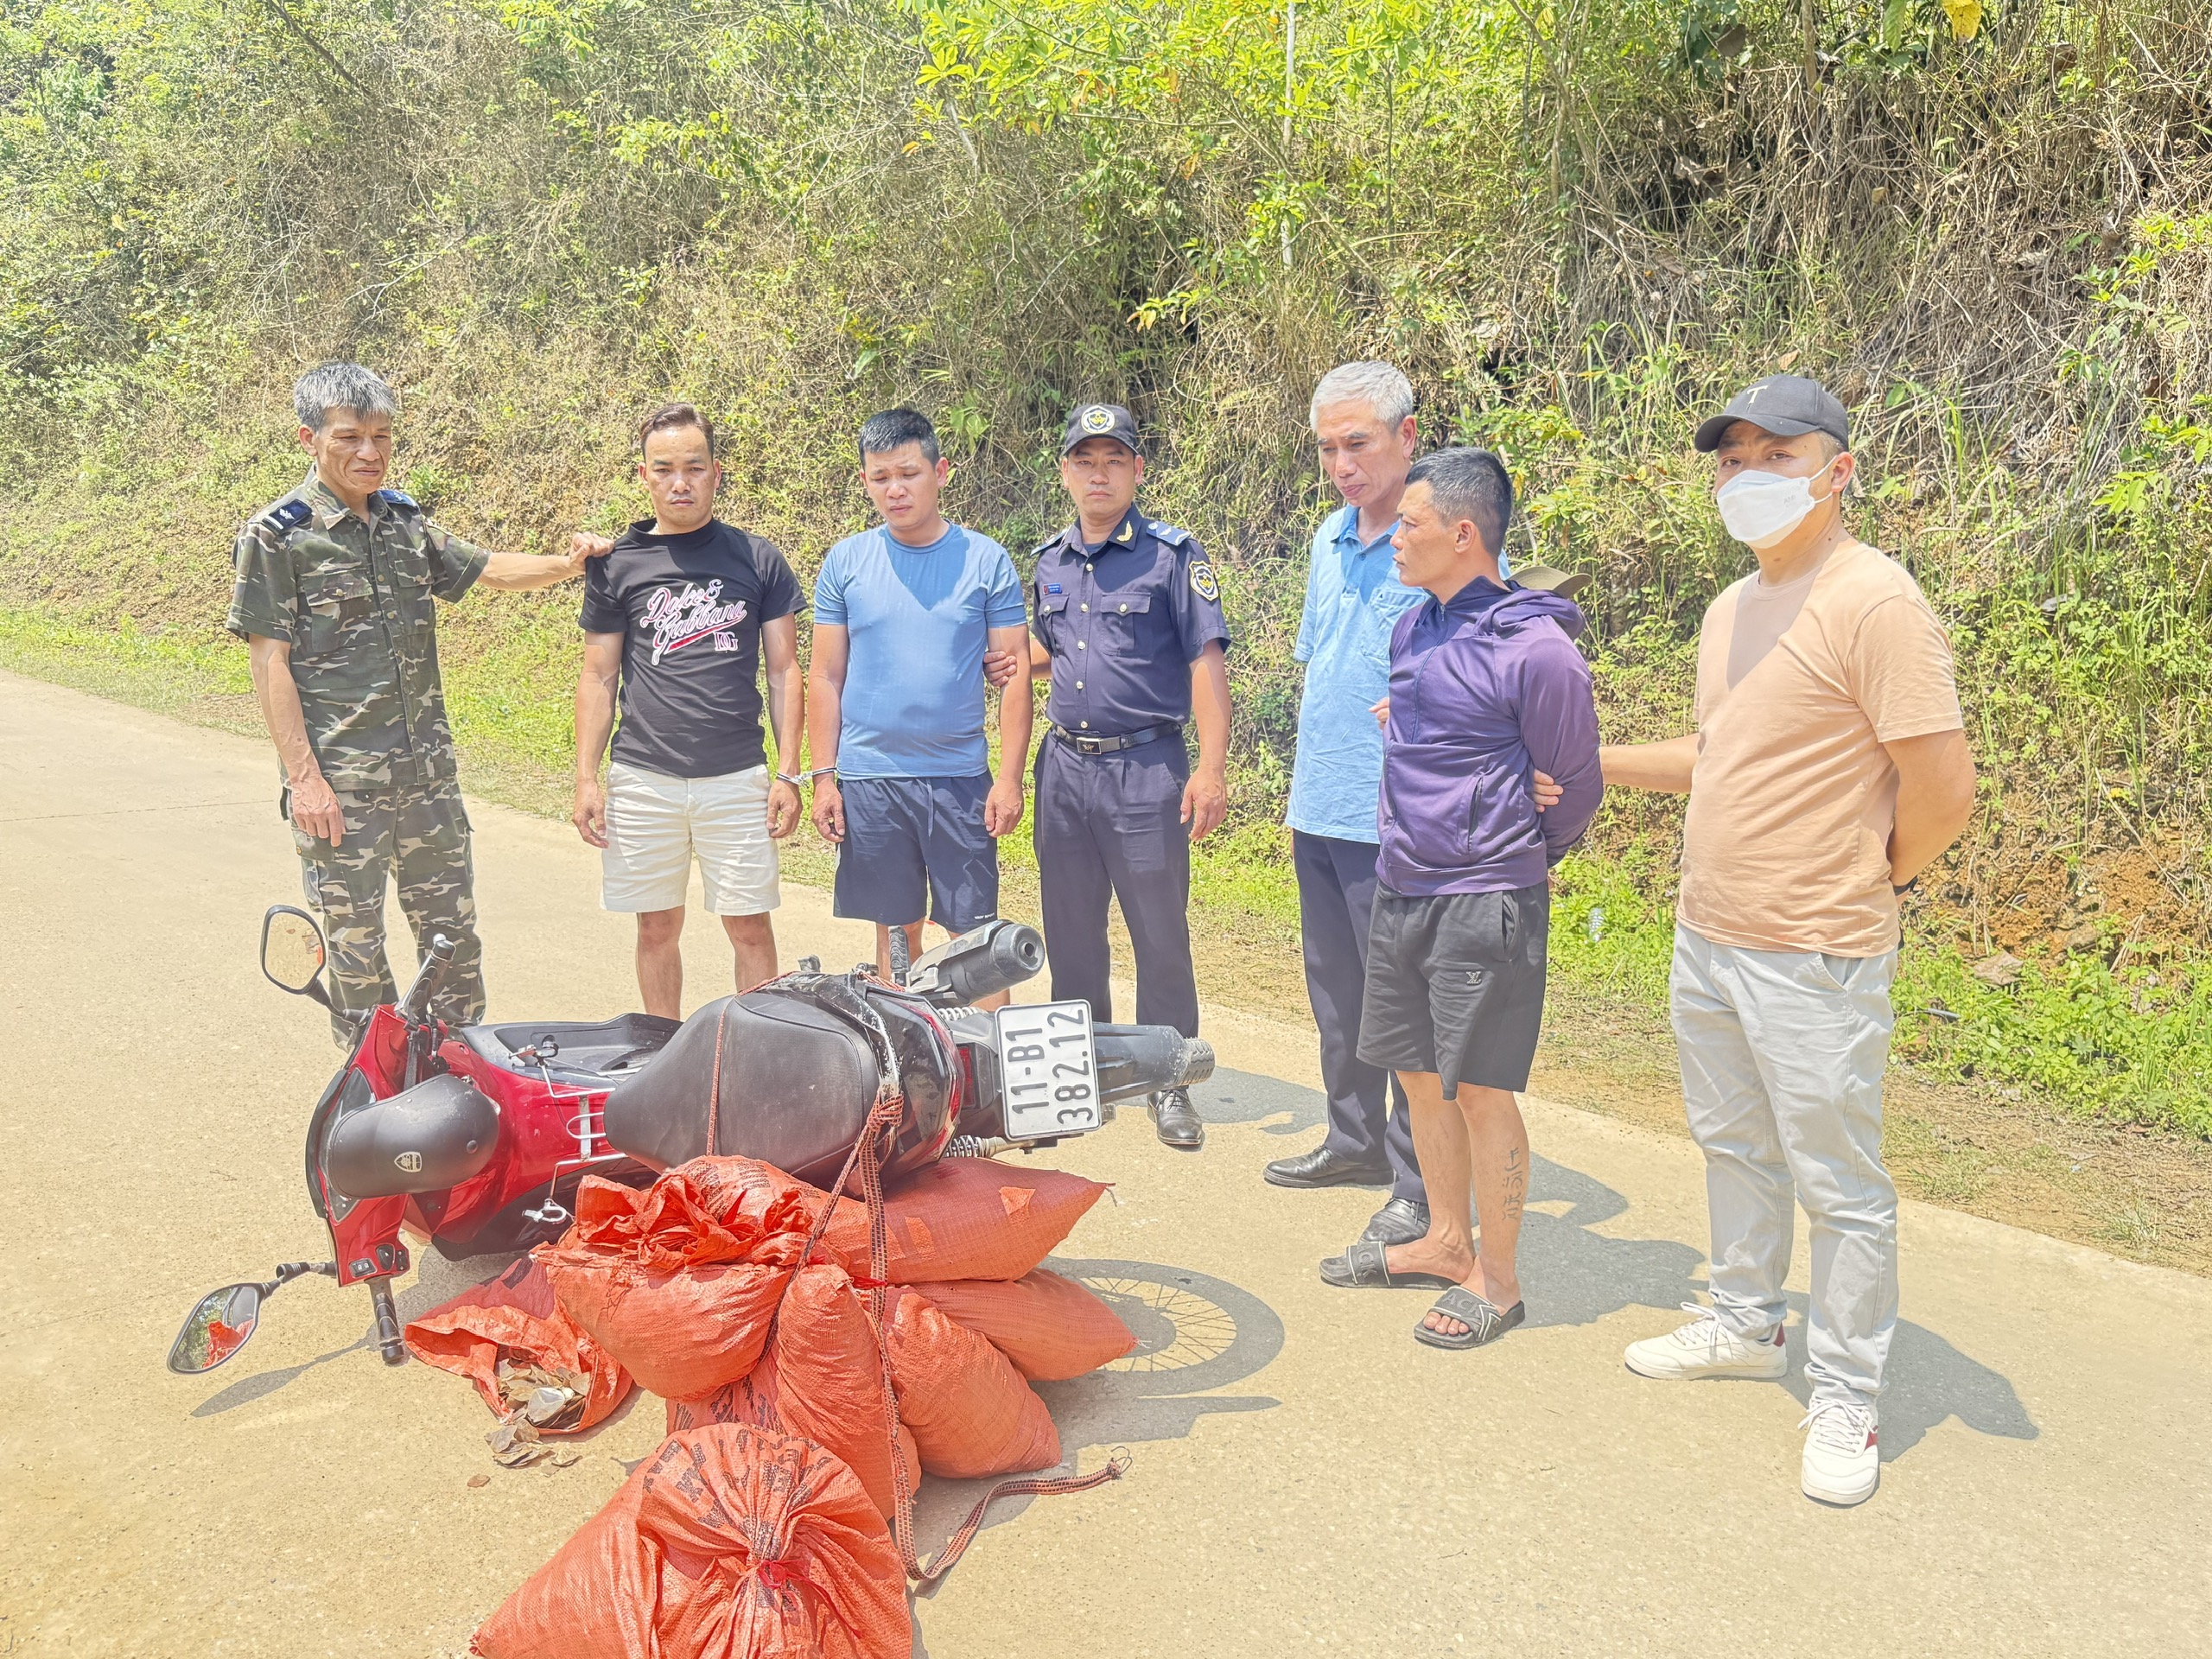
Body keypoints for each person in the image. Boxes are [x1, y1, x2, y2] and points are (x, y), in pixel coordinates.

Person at [1605, 373, 1974, 1507]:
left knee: (1839, 1180)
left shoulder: (1874, 602)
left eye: (1778, 453)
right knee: (1733, 1143)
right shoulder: (1732, 609)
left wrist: (1874, 877)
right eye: (1732, 459)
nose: (1750, 476)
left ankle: (1848, 1391)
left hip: (1814, 948)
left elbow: (1944, 789)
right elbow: (1720, 757)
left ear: (1839, 468)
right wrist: (1579, 760)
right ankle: (1744, 1321)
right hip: (1709, 933)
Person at [228, 361, 609, 1040]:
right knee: (355, 945)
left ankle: (457, 1077)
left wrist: (570, 564)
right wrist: (306, 780)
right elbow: (270, 663)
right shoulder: (278, 536)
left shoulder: (404, 524)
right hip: (343, 787)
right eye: (348, 437)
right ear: (308, 439)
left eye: (382, 436)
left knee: (452, 941)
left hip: (427, 779)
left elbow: (486, 568)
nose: (368, 452)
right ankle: (374, 1089)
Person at [1318, 448, 1601, 1353]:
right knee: (1415, 1072)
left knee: (1477, 1086)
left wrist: (1521, 849)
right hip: (1402, 882)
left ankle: (1499, 1280)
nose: (1393, 537)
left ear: (1463, 533)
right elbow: (1432, 732)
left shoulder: (1537, 649)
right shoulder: (1415, 628)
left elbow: (1577, 783)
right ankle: (1444, 1240)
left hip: (1485, 896)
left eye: (1409, 523)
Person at [1267, 361, 1512, 1247]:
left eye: (1358, 443)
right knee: (1335, 990)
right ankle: (1352, 1138)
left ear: (1408, 438)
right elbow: (1321, 666)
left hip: (1403, 818)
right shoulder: (1328, 537)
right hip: (1319, 803)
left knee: (1404, 1006)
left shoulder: (1446, 541)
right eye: (1328, 447)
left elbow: (1490, 675)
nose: (1341, 463)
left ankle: (1419, 1189)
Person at [1026, 404, 1232, 1149]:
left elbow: (1204, 661)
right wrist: (1014, 662)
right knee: (1071, 931)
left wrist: (1210, 769)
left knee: (1158, 933)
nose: (1099, 474)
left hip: (1148, 768)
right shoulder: (1050, 560)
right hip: (1065, 770)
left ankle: (1169, 1081)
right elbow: (1063, 649)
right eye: (1085, 460)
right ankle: (1074, 1079)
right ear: (1065, 473)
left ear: (1138, 471)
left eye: (1115, 460)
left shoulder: (1172, 557)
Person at [573, 404, 806, 1016]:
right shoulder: (615, 563)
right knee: (655, 929)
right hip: (644, 776)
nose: (681, 482)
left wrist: (788, 772)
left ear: (717, 473)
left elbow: (784, 670)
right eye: (665, 469)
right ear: (645, 476)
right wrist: (586, 778)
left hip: (736, 777)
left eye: (694, 468)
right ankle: (663, 1055)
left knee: (750, 928)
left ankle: (757, 1054)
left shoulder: (757, 559)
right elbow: (598, 674)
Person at [807, 409, 1033, 993]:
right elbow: (826, 677)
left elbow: (1014, 677)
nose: (895, 489)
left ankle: (982, 1076)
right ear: (865, 482)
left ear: (941, 472)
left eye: (908, 473)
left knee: (975, 940)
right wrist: (824, 780)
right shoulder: (846, 563)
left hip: (959, 780)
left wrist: (1008, 779)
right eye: (880, 477)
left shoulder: (986, 561)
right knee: (896, 932)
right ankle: (908, 1067)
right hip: (871, 780)